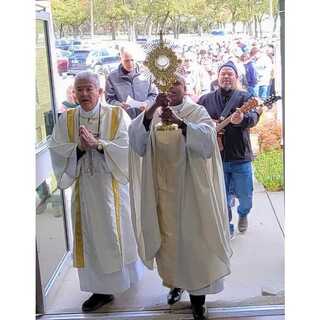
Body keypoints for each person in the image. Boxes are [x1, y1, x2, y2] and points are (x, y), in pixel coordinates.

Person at [128, 76, 232, 320]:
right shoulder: (152, 114)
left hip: (192, 192)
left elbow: (207, 141)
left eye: (176, 83)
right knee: (170, 244)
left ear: (185, 89)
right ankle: (176, 284)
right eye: (166, 83)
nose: (171, 87)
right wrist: (152, 108)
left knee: (194, 245)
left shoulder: (196, 111)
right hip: (162, 192)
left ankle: (198, 300)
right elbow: (137, 142)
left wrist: (181, 123)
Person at [48, 71, 143, 312]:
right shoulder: (67, 120)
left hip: (111, 186)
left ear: (99, 91)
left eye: (89, 88)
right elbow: (57, 149)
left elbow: (127, 146)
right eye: (79, 89)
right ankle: (100, 290)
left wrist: (99, 145)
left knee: (117, 232)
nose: (84, 94)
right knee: (91, 238)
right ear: (74, 92)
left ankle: (124, 279)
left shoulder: (115, 114)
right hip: (85, 192)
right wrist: (78, 149)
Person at [198, 61, 262, 237]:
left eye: (230, 74)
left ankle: (243, 213)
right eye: (223, 74)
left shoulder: (245, 97)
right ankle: (228, 227)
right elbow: (195, 119)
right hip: (216, 157)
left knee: (246, 197)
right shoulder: (205, 99)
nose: (226, 76)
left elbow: (254, 116)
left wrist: (242, 119)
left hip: (240, 155)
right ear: (218, 77)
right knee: (221, 198)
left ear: (236, 78)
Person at [105, 46, 157, 119]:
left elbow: (154, 94)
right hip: (124, 119)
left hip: (145, 117)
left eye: (132, 60)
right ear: (120, 59)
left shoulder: (146, 73)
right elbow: (109, 99)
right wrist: (119, 105)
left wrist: (147, 103)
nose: (130, 63)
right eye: (126, 60)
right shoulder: (112, 77)